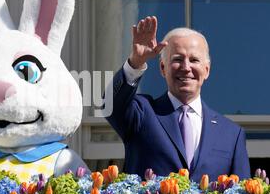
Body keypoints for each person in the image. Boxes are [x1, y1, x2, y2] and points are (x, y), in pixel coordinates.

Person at [105, 16, 250, 182]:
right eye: (177, 59)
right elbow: (109, 104)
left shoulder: (231, 134)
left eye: (194, 60)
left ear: (207, 70)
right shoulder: (143, 112)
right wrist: (136, 62)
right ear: (162, 68)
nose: (186, 67)